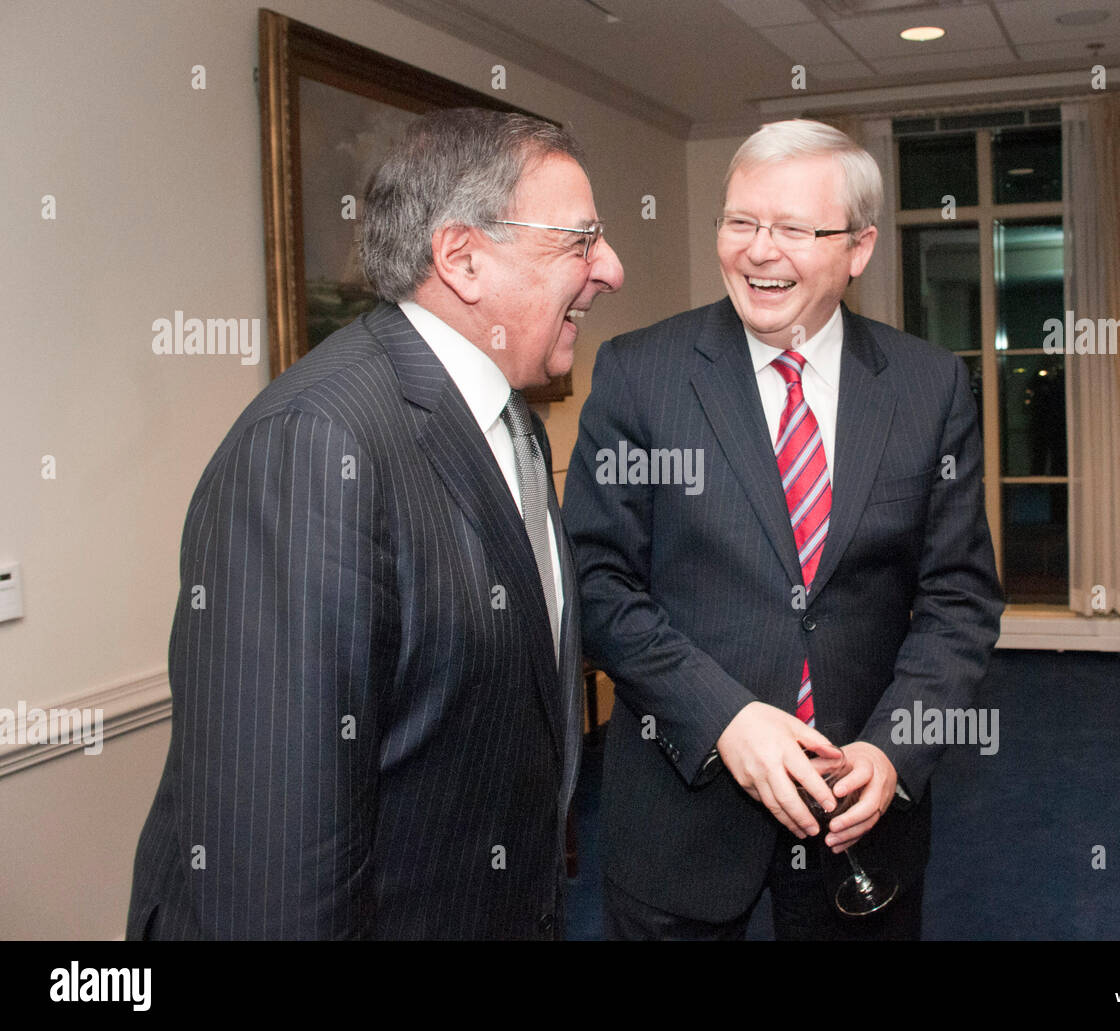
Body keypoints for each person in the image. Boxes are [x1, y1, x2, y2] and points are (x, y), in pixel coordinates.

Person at [126, 107, 624, 940]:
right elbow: (277, 867)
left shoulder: (511, 422)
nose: (609, 267)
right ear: (462, 258)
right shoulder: (314, 446)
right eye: (578, 240)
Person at [563, 119, 1002, 940]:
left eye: (794, 229)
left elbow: (960, 601)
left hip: (860, 825)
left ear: (859, 248)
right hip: (678, 815)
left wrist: (893, 753)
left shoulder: (927, 386)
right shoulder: (639, 374)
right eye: (741, 222)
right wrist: (725, 717)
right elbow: (597, 583)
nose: (759, 252)